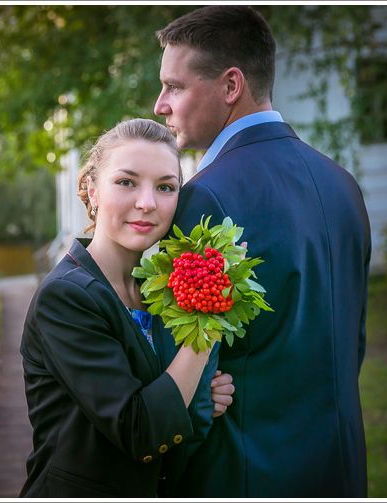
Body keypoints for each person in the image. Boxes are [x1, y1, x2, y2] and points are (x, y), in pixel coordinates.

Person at [152, 5, 371, 498]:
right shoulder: (344, 185)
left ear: (231, 86)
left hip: (244, 474)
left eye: (175, 86)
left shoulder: (204, 199)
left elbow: (188, 377)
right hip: (340, 468)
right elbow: (351, 341)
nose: (160, 104)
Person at [18, 118, 233, 498]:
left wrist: (201, 398)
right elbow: (141, 430)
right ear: (92, 189)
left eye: (165, 187)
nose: (147, 203)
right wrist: (209, 318)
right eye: (126, 182)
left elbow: (171, 408)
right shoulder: (65, 298)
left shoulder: (156, 294)